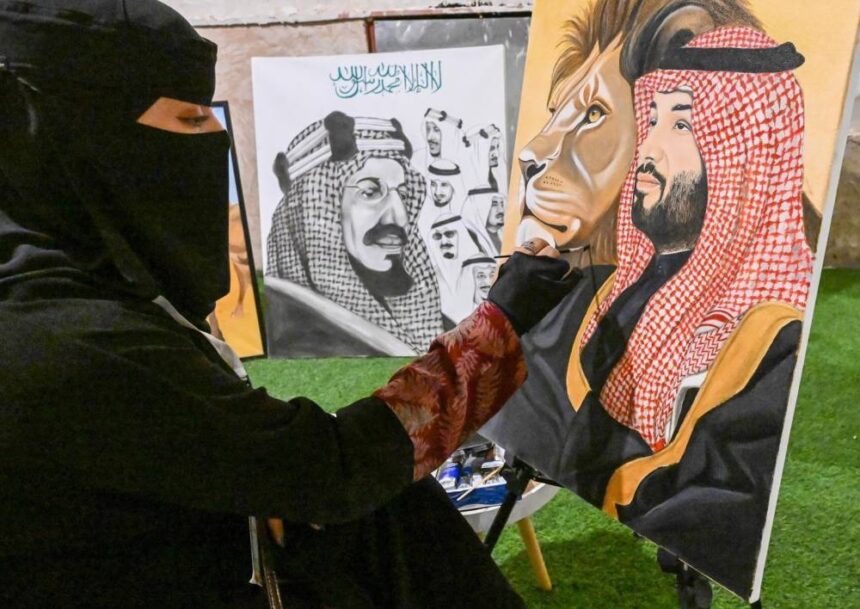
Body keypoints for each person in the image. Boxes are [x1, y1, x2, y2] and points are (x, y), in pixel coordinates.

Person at [0, 2, 583, 608]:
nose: (396, 216)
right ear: (86, 139)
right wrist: (499, 323)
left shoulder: (70, 275)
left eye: (404, 191)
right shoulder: (59, 338)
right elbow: (331, 469)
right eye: (192, 119)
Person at [482, 27, 811, 599]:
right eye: (651, 120)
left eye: (680, 125)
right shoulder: (602, 291)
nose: (647, 151)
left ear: (744, 159)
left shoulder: (772, 342)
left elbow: (713, 507)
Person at [267, 111, 442, 356]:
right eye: (370, 193)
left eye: (402, 194)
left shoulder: (440, 328)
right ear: (315, 213)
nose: (400, 217)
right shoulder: (286, 337)